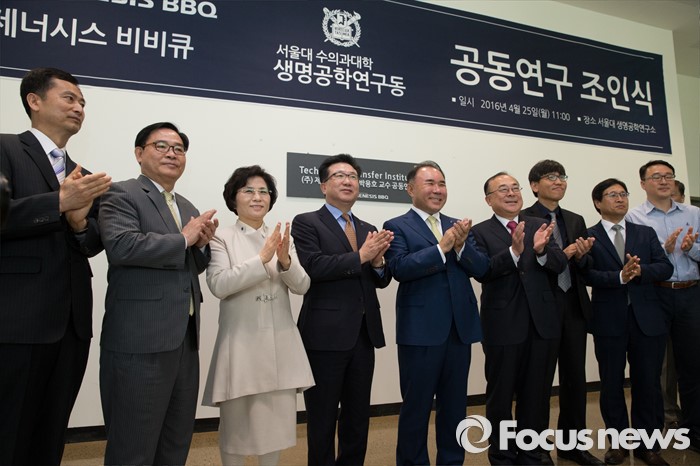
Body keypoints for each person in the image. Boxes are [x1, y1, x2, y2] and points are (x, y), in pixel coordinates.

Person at [0, 67, 111, 465]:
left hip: (71, 326)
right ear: (34, 100)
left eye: (82, 102)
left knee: (50, 435)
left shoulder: (82, 175)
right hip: (19, 322)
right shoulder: (6, 148)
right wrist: (59, 204)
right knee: (9, 432)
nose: (78, 107)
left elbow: (91, 244)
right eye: (69, 98)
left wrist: (80, 223)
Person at [98, 121, 218, 465]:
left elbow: (189, 265)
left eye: (178, 149)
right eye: (161, 146)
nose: (172, 154)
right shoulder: (120, 194)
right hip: (140, 340)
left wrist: (201, 245)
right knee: (133, 444)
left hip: (184, 340)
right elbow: (122, 246)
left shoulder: (187, 205)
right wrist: (184, 239)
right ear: (139, 153)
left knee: (175, 441)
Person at [202, 165, 315, 466]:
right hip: (240, 343)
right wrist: (262, 259)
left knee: (275, 427)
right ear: (233, 198)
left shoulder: (282, 238)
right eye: (249, 190)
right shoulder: (221, 237)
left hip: (280, 343)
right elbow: (219, 285)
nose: (257, 197)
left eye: (264, 192)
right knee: (235, 428)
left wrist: (285, 261)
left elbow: (303, 286)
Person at [383, 161, 489, 466]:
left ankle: (452, 461)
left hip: (459, 330)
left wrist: (461, 247)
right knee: (416, 408)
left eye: (441, 183)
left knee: (455, 408)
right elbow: (399, 268)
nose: (437, 190)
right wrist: (441, 249)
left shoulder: (459, 225)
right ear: (411, 189)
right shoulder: (397, 225)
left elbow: (482, 269)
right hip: (420, 331)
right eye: (429, 183)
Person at [291, 153, 393, 465]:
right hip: (324, 336)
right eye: (339, 176)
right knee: (322, 417)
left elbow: (381, 280)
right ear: (324, 186)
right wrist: (362, 256)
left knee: (358, 415)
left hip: (364, 335)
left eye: (353, 176)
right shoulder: (307, 222)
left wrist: (378, 262)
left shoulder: (367, 227)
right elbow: (314, 266)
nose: (348, 181)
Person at [471, 172, 567, 465]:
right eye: (503, 190)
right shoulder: (479, 232)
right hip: (502, 326)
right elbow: (483, 271)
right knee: (500, 396)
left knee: (537, 393)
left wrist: (541, 251)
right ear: (489, 200)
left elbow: (560, 263)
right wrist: (514, 252)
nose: (511, 193)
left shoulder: (540, 225)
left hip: (541, 323)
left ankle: (532, 453)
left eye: (515, 188)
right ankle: (502, 455)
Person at [584, 178, 673, 466]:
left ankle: (649, 445)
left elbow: (665, 267)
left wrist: (640, 271)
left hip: (647, 319)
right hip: (608, 320)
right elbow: (585, 274)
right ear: (598, 202)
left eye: (623, 194)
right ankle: (618, 444)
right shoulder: (589, 236)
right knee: (611, 383)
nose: (620, 199)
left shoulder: (644, 233)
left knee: (648, 383)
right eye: (613, 195)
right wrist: (619, 277)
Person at [521, 160, 603, 466]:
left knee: (575, 380)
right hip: (540, 308)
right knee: (538, 382)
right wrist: (559, 255)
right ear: (534, 185)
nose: (559, 182)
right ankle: (537, 448)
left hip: (573, 306)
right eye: (551, 177)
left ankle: (573, 446)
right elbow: (526, 264)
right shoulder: (524, 218)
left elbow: (586, 267)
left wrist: (580, 256)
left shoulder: (575, 219)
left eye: (562, 177)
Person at [626, 161, 700, 452]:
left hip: (690, 294)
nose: (664, 181)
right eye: (656, 176)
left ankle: (695, 431)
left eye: (668, 176)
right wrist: (664, 252)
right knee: (651, 368)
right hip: (653, 295)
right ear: (643, 183)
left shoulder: (694, 213)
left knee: (693, 367)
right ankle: (652, 436)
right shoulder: (633, 216)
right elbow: (634, 260)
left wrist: (690, 248)